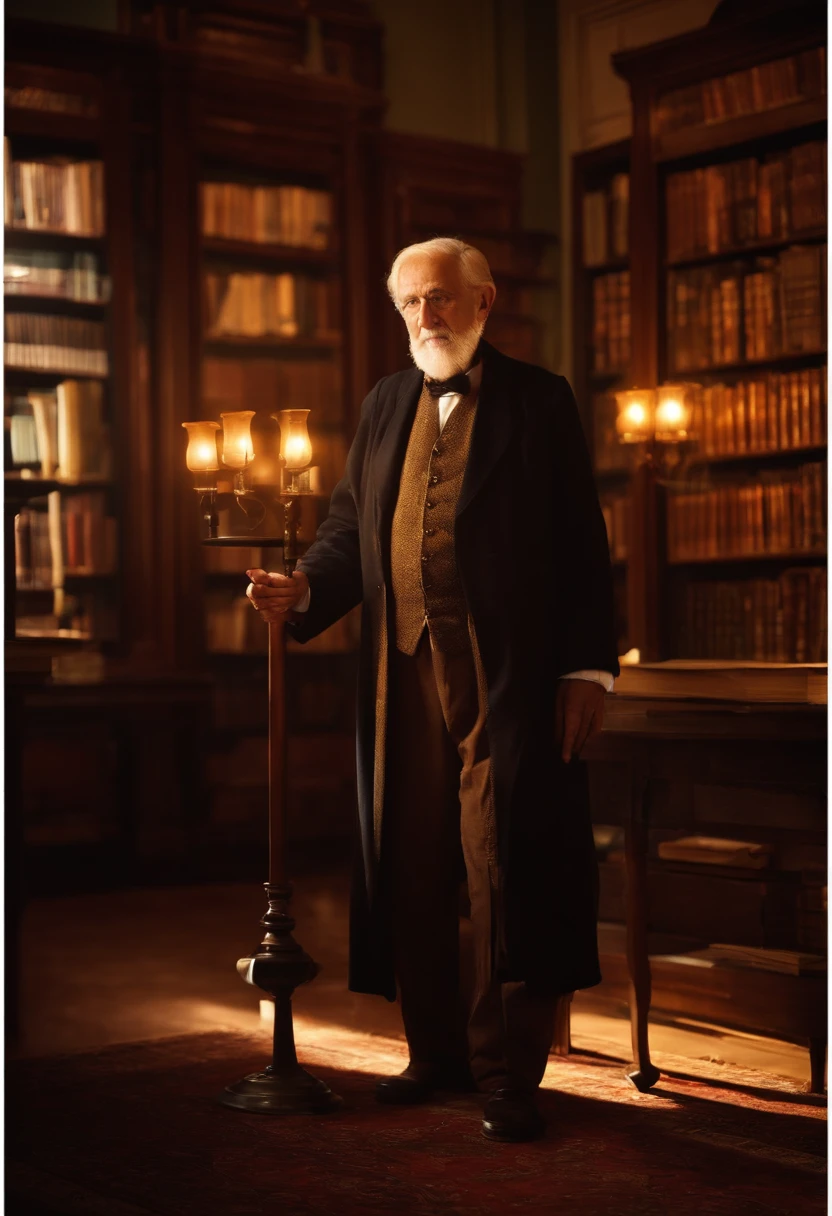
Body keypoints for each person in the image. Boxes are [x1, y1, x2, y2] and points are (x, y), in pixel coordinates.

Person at [246, 237, 619, 1142]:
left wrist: (586, 670)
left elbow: (582, 546)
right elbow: (346, 528)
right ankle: (435, 1053)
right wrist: (304, 591)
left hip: (514, 677)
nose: (428, 316)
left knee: (505, 861)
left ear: (485, 301)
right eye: (411, 302)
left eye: (444, 299)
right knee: (412, 855)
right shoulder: (383, 405)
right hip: (399, 670)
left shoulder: (540, 401)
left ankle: (508, 1073)